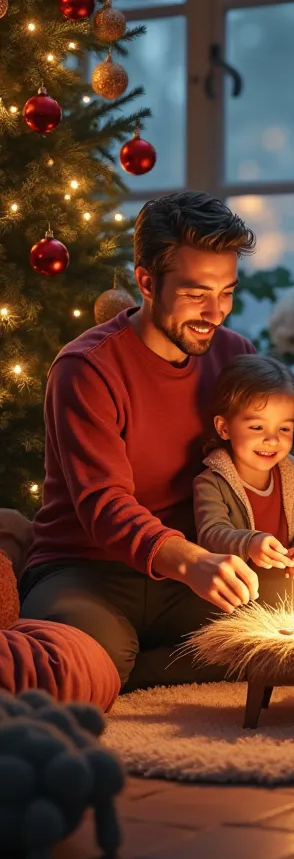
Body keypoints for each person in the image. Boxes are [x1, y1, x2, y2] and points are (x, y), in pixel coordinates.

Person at [20, 191, 261, 692]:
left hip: (190, 576)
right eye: (197, 294)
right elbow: (103, 504)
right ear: (147, 282)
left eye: (228, 292)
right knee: (80, 662)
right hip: (86, 569)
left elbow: (259, 468)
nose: (216, 312)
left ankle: (136, 674)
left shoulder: (236, 359)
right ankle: (128, 664)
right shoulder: (86, 368)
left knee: (272, 640)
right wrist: (192, 561)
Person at [193, 354, 294, 605]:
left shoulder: (292, 478)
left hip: (285, 598)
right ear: (224, 428)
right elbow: (211, 534)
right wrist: (250, 543)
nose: (272, 440)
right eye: (257, 427)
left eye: (284, 429)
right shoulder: (212, 482)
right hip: (233, 602)